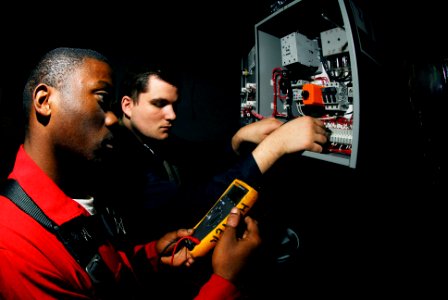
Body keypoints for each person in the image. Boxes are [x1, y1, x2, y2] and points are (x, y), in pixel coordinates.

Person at [0, 47, 262, 299]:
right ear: (45, 101)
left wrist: (150, 258)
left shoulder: (73, 192)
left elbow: (96, 269)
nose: (112, 119)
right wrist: (226, 281)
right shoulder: (12, 250)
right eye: (102, 100)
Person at [104, 65, 329, 242]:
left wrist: (237, 138)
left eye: (174, 104)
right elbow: (198, 207)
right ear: (127, 105)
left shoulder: (150, 137)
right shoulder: (120, 159)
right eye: (159, 104)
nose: (172, 115)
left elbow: (196, 156)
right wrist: (275, 147)